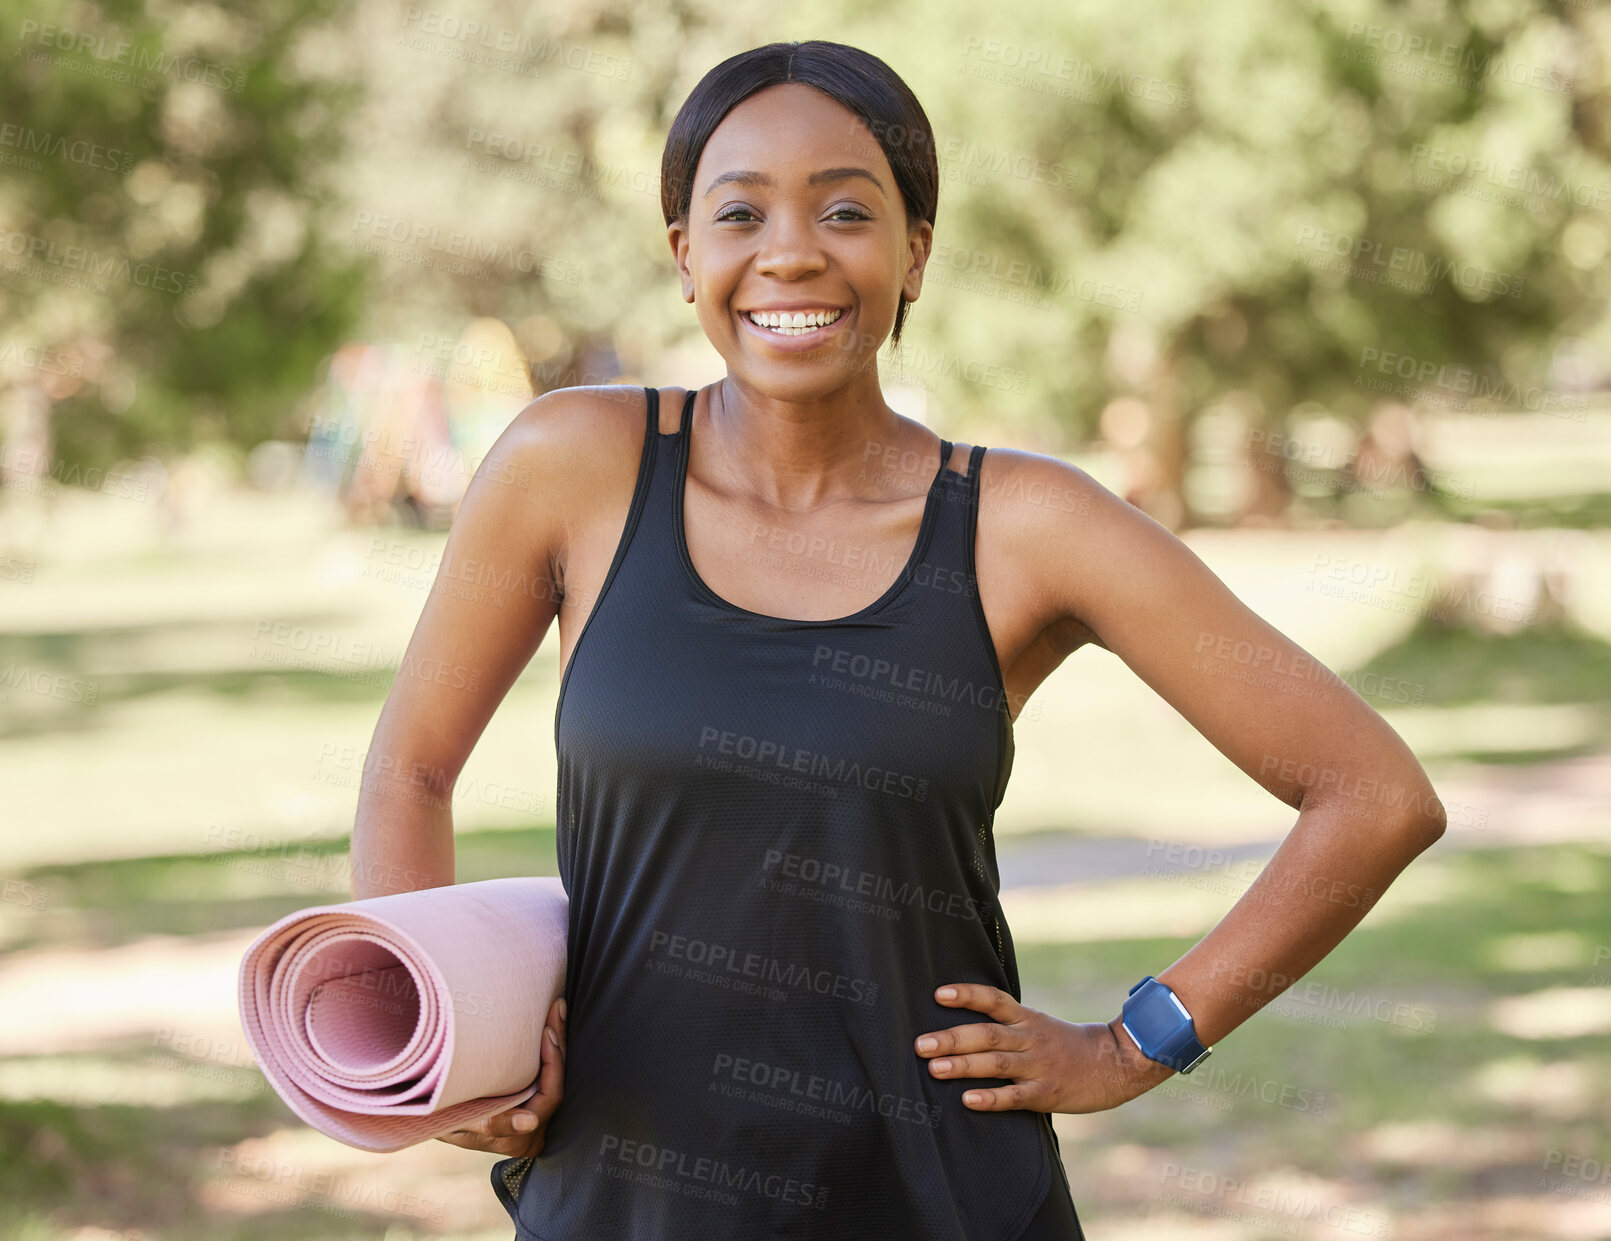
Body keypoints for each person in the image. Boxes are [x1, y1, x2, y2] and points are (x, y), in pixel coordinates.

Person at [349, 40, 1447, 1240]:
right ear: (684, 255)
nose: (791, 250)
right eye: (739, 212)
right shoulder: (571, 467)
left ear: (915, 252)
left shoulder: (1029, 526)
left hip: (942, 1199)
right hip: (623, 1200)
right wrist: (436, 1049)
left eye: (846, 210)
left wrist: (1137, 1042)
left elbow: (1372, 793)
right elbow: (411, 768)